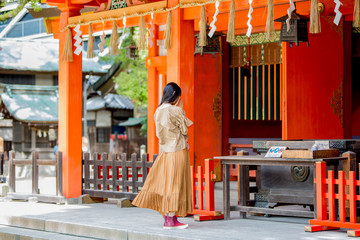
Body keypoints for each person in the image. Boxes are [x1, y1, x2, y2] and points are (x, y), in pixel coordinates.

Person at [132, 82, 193, 229]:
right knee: (176, 184)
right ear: (174, 95)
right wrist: (180, 108)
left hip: (165, 151)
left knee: (168, 183)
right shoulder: (175, 110)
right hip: (178, 150)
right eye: (178, 95)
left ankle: (169, 217)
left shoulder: (158, 111)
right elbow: (185, 129)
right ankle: (171, 220)